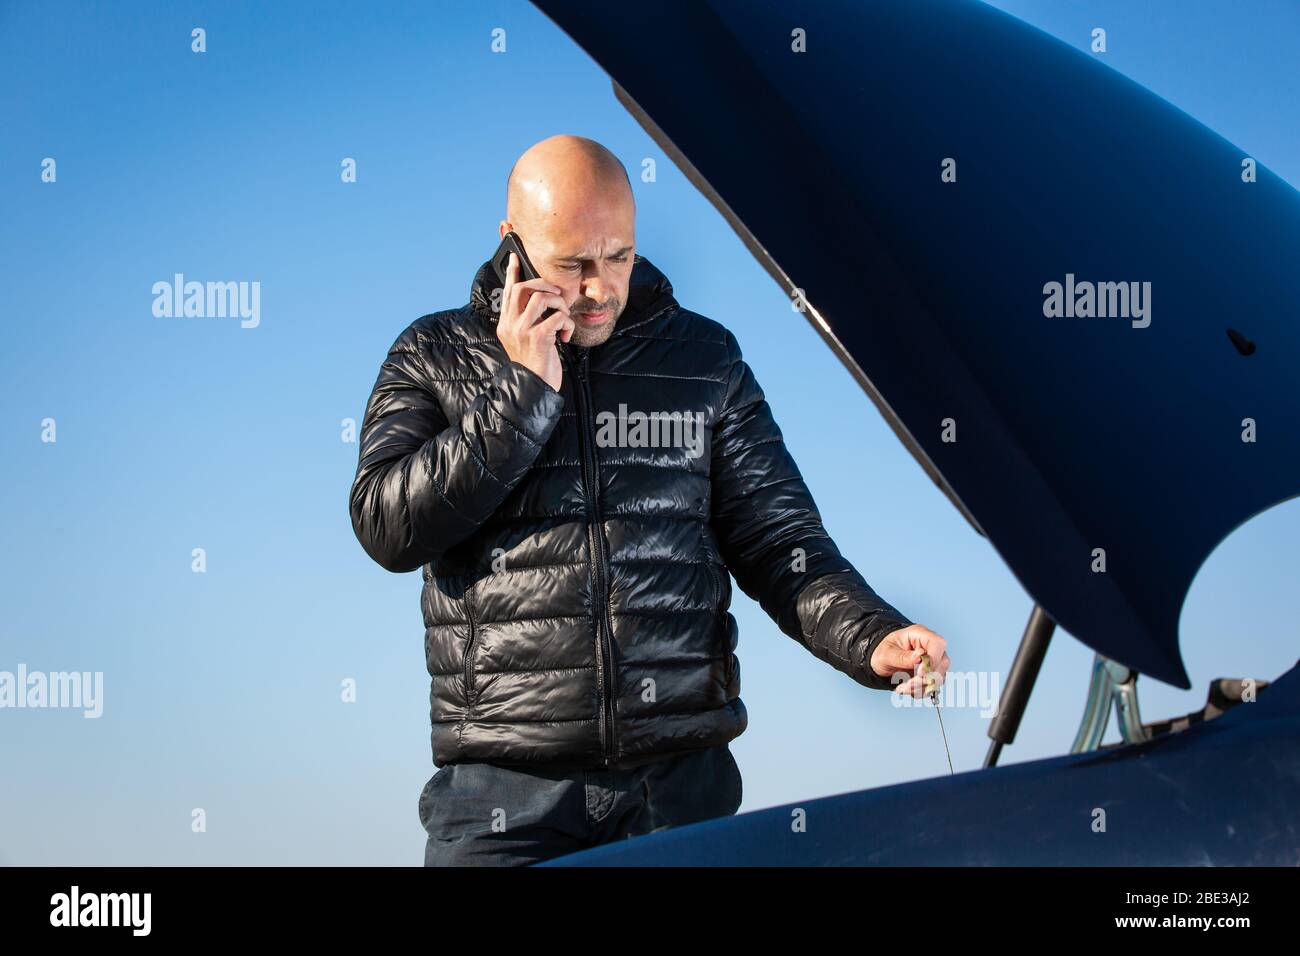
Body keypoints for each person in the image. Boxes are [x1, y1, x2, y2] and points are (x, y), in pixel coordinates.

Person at [348, 134, 951, 866]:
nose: (600, 287)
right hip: (500, 796)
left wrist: (870, 635)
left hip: (677, 788)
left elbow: (779, 539)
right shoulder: (433, 353)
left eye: (619, 256)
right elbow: (386, 526)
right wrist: (520, 395)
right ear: (513, 247)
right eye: (572, 264)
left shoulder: (704, 360)